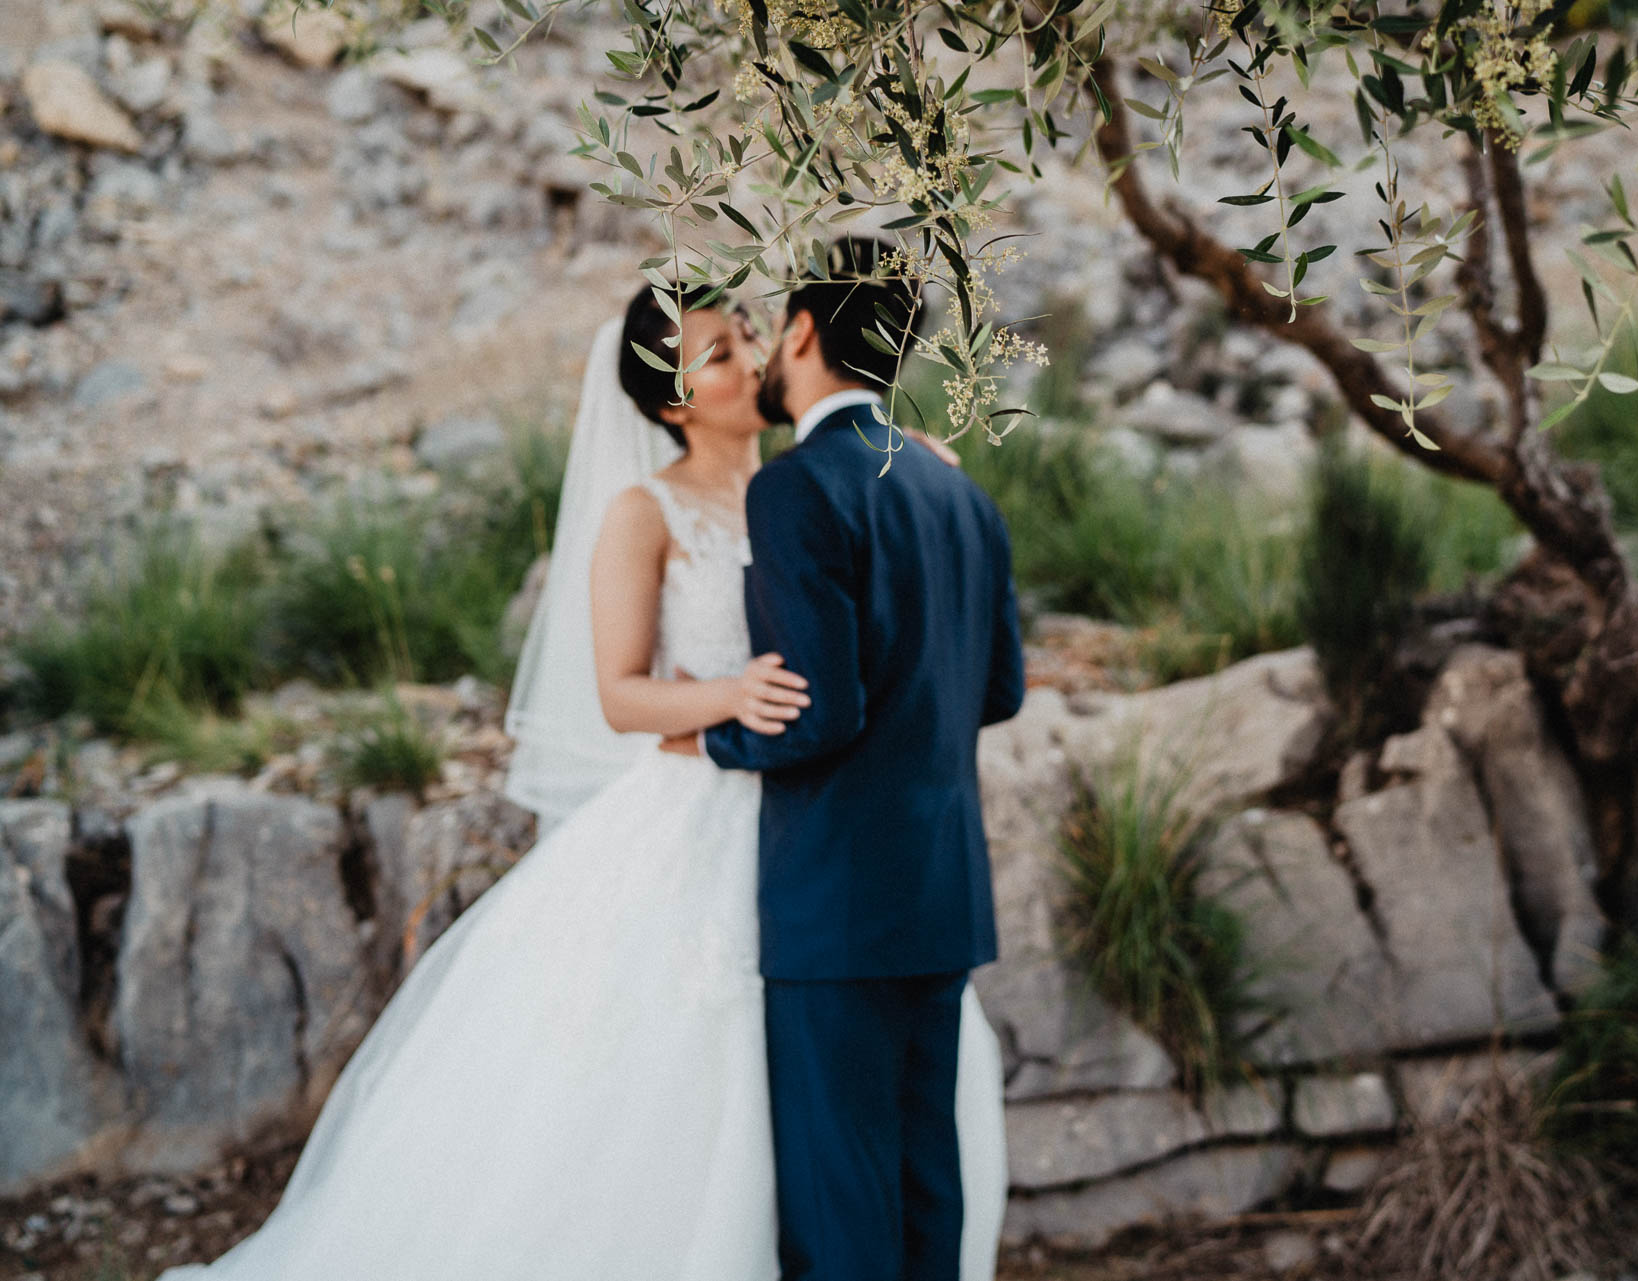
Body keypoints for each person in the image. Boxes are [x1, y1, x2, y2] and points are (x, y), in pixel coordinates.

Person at [156, 282, 1009, 1280]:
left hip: (826, 831)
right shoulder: (647, 513)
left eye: (748, 338)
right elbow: (620, 694)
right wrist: (729, 697)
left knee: (856, 1117)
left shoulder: (819, 487)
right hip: (704, 812)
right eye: (721, 355)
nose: (750, 358)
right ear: (671, 399)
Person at [677, 237, 1026, 1281]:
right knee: (929, 1204)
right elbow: (999, 690)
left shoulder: (794, 490)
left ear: (799, 333)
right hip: (943, 895)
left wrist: (712, 733)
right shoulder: (959, 490)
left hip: (836, 905)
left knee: (840, 1218)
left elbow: (815, 714)